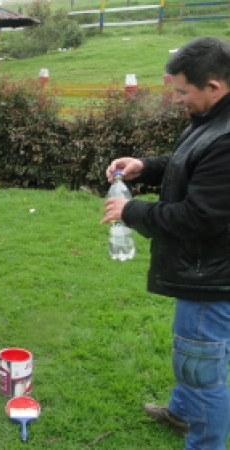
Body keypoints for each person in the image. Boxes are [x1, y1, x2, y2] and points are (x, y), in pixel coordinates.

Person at [100, 36, 230, 449]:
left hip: (211, 274)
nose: (176, 100)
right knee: (192, 354)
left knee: (201, 368)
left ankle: (204, 442)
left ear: (214, 86)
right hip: (203, 267)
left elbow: (199, 217)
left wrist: (131, 212)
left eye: (182, 91)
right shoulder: (213, 120)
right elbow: (193, 167)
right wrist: (147, 167)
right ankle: (182, 413)